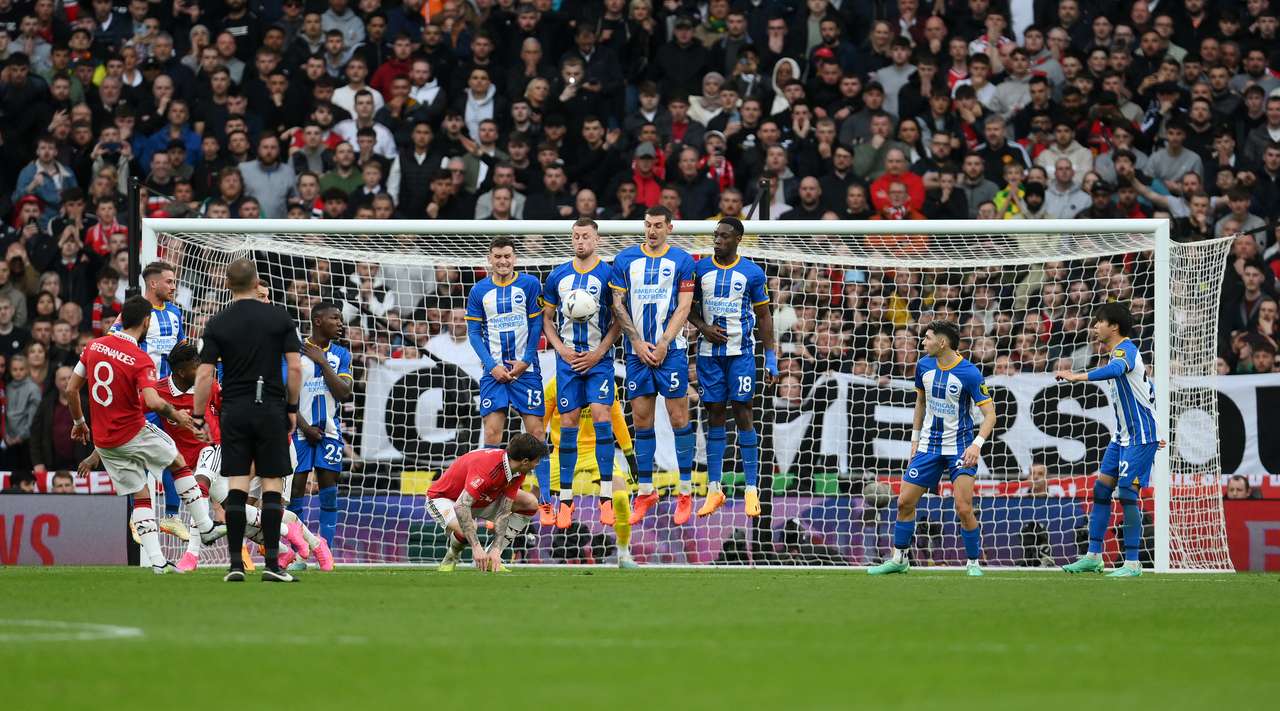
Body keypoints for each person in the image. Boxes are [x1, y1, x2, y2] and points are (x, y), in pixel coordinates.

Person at [66, 295, 208, 574]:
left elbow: (71, 390)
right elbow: (154, 402)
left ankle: (157, 561)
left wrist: (80, 422)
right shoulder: (140, 358)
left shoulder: (93, 347)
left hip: (105, 442)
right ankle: (206, 525)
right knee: (177, 460)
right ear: (146, 321)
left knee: (140, 494)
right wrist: (177, 415)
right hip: (133, 431)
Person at [194, 259, 303, 583]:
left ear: (228, 284)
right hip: (270, 407)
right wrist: (292, 407)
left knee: (238, 486)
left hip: (235, 410)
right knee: (270, 485)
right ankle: (272, 564)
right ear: (257, 283)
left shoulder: (217, 323)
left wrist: (199, 416)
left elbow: (204, 374)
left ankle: (234, 566)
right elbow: (295, 368)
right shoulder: (278, 317)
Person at [869, 320, 997, 577]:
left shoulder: (969, 373)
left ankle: (973, 562)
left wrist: (976, 444)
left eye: (927, 338)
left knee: (963, 507)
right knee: (905, 501)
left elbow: (990, 414)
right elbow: (920, 402)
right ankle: (899, 559)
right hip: (928, 445)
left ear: (942, 342)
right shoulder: (923, 366)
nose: (923, 342)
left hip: (960, 447)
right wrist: (915, 440)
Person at [1057, 303, 1165, 578]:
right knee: (1101, 490)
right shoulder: (1119, 354)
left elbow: (1116, 370)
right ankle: (1093, 556)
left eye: (1099, 322)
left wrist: (1077, 376)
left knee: (1128, 494)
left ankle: (1132, 563)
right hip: (1123, 437)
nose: (1094, 326)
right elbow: (1147, 389)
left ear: (1113, 326)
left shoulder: (1126, 350)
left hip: (1140, 438)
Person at [609, 206, 697, 525]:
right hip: (636, 352)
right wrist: (635, 342)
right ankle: (645, 491)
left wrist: (663, 343)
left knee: (678, 418)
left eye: (658, 225)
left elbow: (685, 306)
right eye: (648, 225)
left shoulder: (683, 261)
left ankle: (685, 491)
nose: (652, 231)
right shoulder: (625, 260)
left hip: (670, 351)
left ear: (669, 228)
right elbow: (617, 305)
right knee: (642, 421)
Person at [687, 218, 777, 518]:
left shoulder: (751, 272)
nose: (717, 241)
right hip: (709, 355)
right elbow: (686, 306)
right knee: (714, 414)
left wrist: (771, 356)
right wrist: (703, 327)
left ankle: (752, 489)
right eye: (715, 236)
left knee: (743, 412)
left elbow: (764, 315)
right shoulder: (700, 269)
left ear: (738, 238)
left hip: (741, 353)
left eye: (724, 236)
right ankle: (714, 489)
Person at [539, 218, 622, 528]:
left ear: (596, 240)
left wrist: (598, 352)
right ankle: (565, 500)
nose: (580, 241)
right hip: (569, 361)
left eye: (586, 236)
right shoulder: (558, 276)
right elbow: (547, 319)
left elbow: (619, 319)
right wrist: (560, 349)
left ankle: (605, 500)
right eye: (575, 236)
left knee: (603, 416)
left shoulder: (610, 274)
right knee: (569, 421)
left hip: (598, 359)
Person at [465, 236, 550, 507]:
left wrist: (525, 360)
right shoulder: (479, 291)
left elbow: (536, 326)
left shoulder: (529, 285)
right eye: (498, 257)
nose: (503, 261)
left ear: (515, 258)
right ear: (489, 259)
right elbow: (474, 333)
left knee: (536, 433)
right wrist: (492, 366)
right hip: (494, 374)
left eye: (507, 256)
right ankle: (492, 494)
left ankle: (546, 497)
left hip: (526, 371)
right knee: (491, 434)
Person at [541, 373, 640, 568]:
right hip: (562, 452)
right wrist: (536, 460)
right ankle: (499, 548)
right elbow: (539, 425)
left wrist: (630, 456)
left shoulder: (606, 382)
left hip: (598, 452)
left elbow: (618, 420)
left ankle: (623, 552)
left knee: (620, 497)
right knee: (529, 496)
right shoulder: (555, 384)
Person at [426, 432, 546, 573]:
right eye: (536, 461)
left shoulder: (518, 470)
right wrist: (477, 548)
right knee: (469, 527)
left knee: (530, 503)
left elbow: (504, 510)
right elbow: (461, 505)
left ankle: (491, 559)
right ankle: (451, 557)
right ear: (525, 461)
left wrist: (496, 548)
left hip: (479, 499)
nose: (537, 465)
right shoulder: (488, 469)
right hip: (445, 499)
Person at [288, 302, 353, 549]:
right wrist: (304, 426)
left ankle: (325, 549)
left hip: (330, 433)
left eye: (340, 319)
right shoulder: (294, 352)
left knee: (328, 492)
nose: (340, 323)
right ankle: (299, 552)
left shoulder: (341, 355)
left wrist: (323, 362)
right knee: (296, 491)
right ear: (318, 321)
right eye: (335, 318)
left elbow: (344, 392)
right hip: (299, 433)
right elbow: (286, 395)